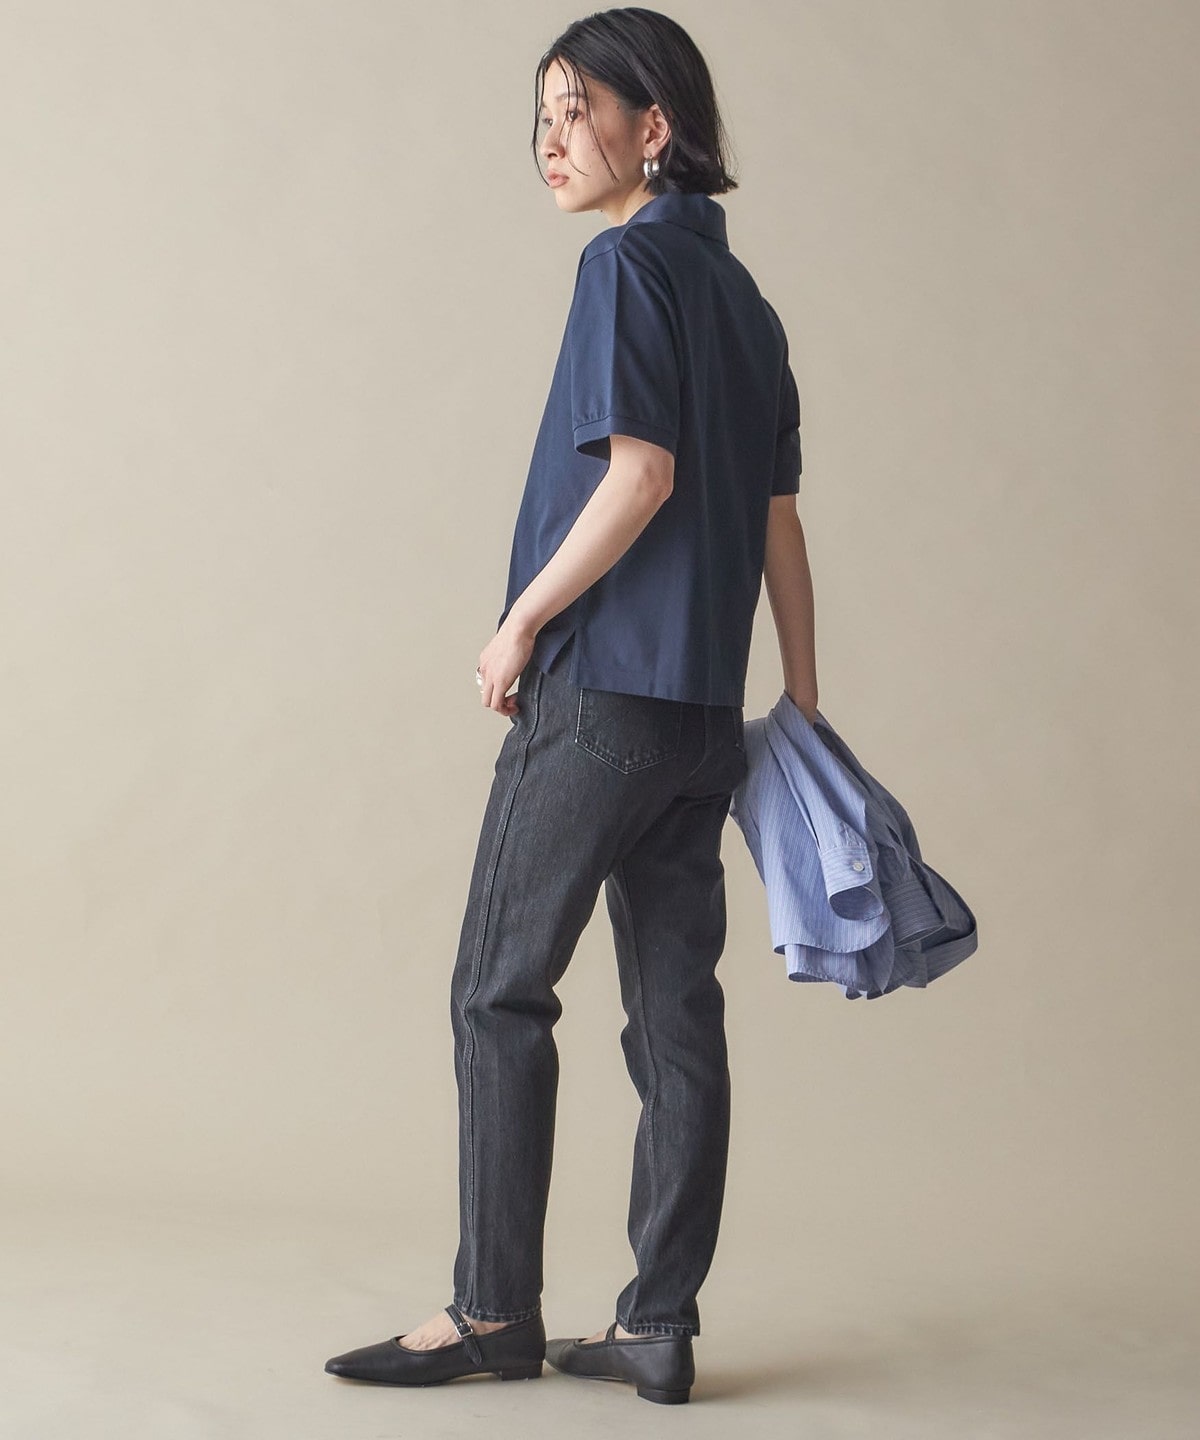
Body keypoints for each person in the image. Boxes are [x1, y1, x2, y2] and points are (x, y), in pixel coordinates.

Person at [325, 6, 818, 1405]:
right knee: (675, 1023)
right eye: (540, 115)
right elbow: (778, 520)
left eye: (576, 109)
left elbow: (641, 475)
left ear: (653, 128)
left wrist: (520, 621)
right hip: (701, 718)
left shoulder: (625, 265)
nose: (550, 139)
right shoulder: (748, 305)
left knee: (498, 990)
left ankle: (492, 1314)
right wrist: (803, 701)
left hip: (599, 696)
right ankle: (658, 1324)